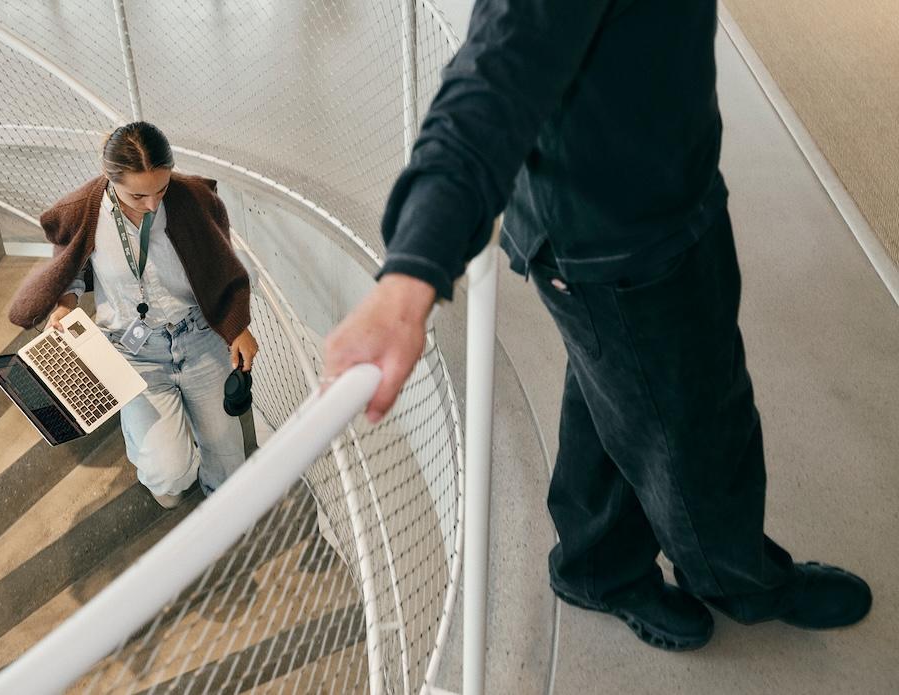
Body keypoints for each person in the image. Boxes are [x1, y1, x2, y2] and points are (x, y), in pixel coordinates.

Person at [323, 1, 871, 650]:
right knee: (698, 441)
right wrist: (411, 273)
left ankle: (596, 565)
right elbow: (492, 80)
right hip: (621, 248)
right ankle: (743, 583)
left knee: (616, 391)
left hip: (661, 200)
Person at [9, 122, 257, 509]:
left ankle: (222, 511)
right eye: (138, 194)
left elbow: (221, 262)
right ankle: (160, 447)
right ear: (110, 179)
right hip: (134, 353)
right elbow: (69, 269)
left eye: (161, 188)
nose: (153, 204)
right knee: (169, 477)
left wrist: (236, 325)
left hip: (200, 341)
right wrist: (65, 305)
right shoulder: (85, 212)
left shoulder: (193, 198)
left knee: (227, 455)